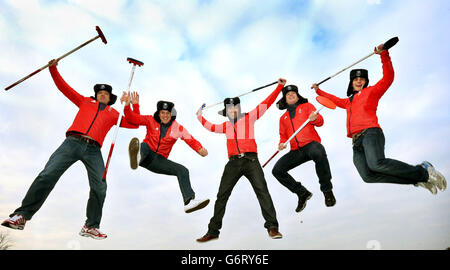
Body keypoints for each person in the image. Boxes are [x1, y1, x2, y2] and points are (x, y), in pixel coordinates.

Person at [1, 59, 139, 240]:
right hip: (72, 143)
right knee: (47, 175)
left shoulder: (113, 114)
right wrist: (53, 69)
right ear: (96, 95)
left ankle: (91, 226)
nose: (102, 95)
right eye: (100, 93)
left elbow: (135, 123)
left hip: (94, 150)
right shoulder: (84, 101)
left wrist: (131, 105)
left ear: (110, 97)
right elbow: (64, 88)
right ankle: (22, 215)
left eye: (106, 94)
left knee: (100, 186)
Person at [312, 43, 446, 194]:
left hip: (370, 133)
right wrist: (318, 90)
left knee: (376, 163)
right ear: (351, 83)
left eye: (362, 79)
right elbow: (334, 99)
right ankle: (417, 179)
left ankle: (424, 171)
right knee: (368, 176)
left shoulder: (371, 92)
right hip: (356, 142)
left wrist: (384, 55)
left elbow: (388, 78)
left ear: (365, 82)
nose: (358, 81)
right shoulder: (348, 101)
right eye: (355, 79)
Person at [195, 78, 286, 243]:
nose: (232, 110)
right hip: (233, 163)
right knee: (222, 195)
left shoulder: (250, 117)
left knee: (262, 192)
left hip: (251, 160)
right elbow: (210, 127)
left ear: (239, 108)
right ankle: (213, 231)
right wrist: (200, 117)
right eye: (229, 109)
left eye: (235, 107)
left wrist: (280, 87)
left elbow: (266, 103)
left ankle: (272, 227)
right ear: (227, 111)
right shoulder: (225, 126)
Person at [123, 92, 210, 213]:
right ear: (158, 114)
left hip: (159, 161)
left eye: (167, 113)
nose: (165, 115)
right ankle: (137, 158)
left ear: (171, 114)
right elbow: (132, 118)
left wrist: (200, 149)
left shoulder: (177, 128)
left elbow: (190, 140)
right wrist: (128, 106)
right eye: (162, 113)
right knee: (144, 145)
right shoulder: (150, 120)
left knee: (183, 170)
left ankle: (189, 202)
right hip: (145, 154)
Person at [271, 84, 335, 213]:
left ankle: (327, 190)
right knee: (277, 170)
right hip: (296, 151)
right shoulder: (282, 118)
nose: (291, 94)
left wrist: (315, 118)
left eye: (293, 93)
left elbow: (320, 122)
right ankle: (302, 193)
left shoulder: (307, 106)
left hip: (310, 145)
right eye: (288, 94)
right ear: (284, 99)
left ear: (297, 95)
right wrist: (281, 144)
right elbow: (283, 135)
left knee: (318, 151)